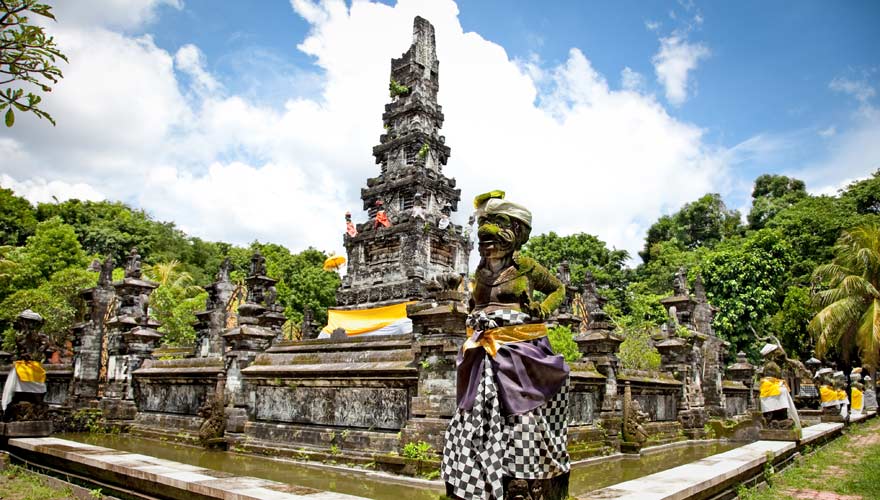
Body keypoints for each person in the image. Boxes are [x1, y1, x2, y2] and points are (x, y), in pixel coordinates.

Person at [441, 191, 569, 500]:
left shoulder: (526, 266)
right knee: (475, 412)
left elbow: (558, 289)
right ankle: (475, 474)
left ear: (517, 236)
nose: (489, 246)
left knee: (523, 413)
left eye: (497, 238)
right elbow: (475, 301)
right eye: (485, 241)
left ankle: (525, 475)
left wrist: (543, 309)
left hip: (519, 347)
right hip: (482, 348)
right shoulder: (481, 272)